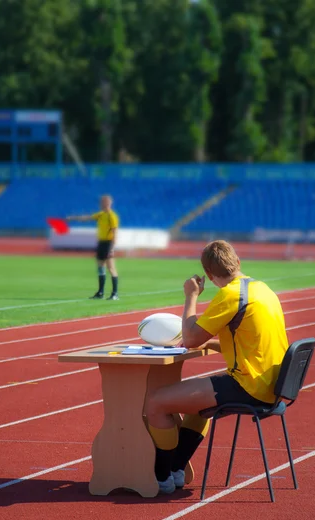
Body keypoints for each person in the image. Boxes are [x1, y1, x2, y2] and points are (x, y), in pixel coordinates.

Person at [146, 240, 289, 494]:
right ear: (238, 263)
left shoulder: (230, 295)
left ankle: (161, 476)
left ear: (209, 276)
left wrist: (191, 296)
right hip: (272, 383)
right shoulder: (262, 289)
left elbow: (189, 339)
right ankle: (178, 468)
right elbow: (251, 341)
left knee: (156, 402)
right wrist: (213, 344)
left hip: (250, 386)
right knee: (197, 406)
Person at [68, 195, 119, 300]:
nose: (101, 204)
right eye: (101, 202)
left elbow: (115, 232)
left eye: (103, 202)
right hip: (101, 243)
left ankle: (115, 294)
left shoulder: (112, 216)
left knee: (111, 268)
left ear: (108, 203)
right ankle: (100, 292)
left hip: (108, 243)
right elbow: (87, 218)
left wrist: (112, 248)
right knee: (100, 267)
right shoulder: (100, 215)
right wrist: (73, 218)